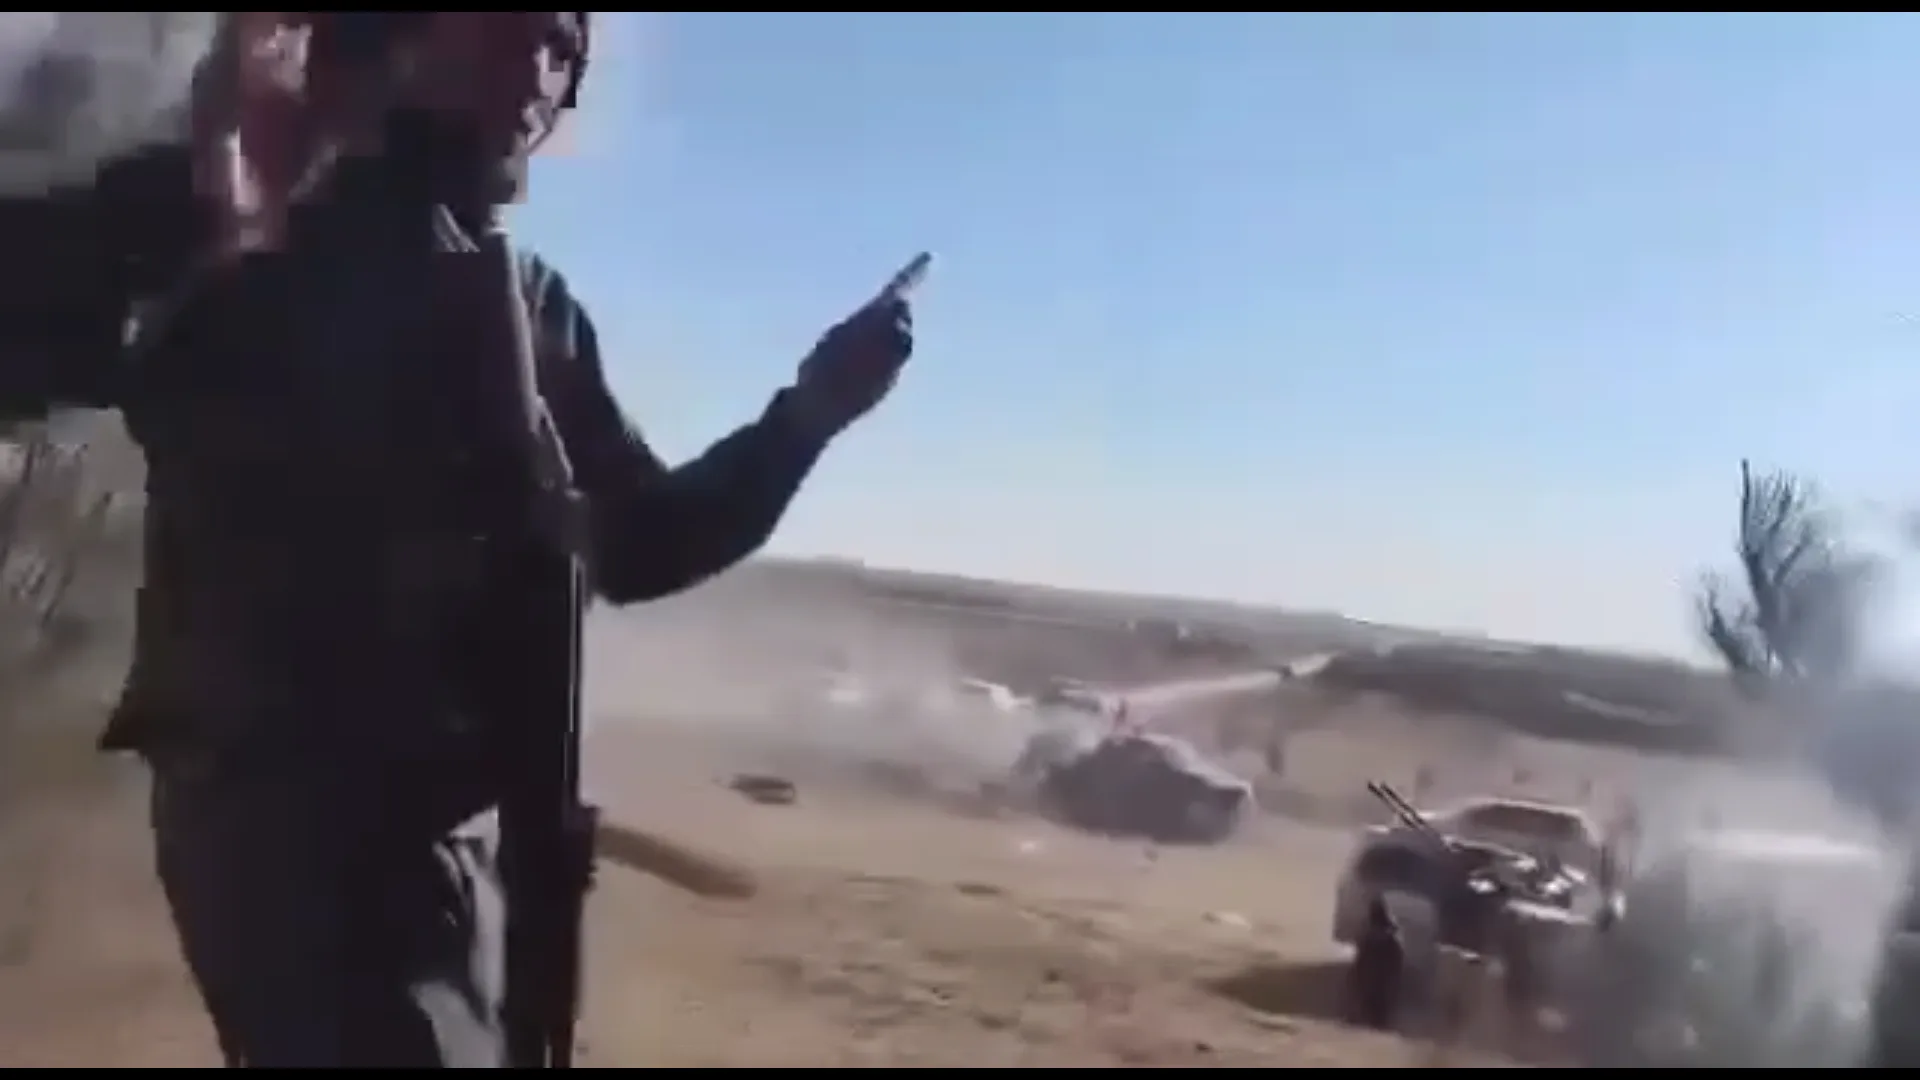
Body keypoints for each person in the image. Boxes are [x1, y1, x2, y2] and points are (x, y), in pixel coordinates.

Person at [0, 13, 914, 1067]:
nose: (540, 69)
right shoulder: (249, 220)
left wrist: (805, 417)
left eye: (565, 49)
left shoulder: (529, 306)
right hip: (282, 838)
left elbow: (638, 546)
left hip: (443, 845)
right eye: (512, 27)